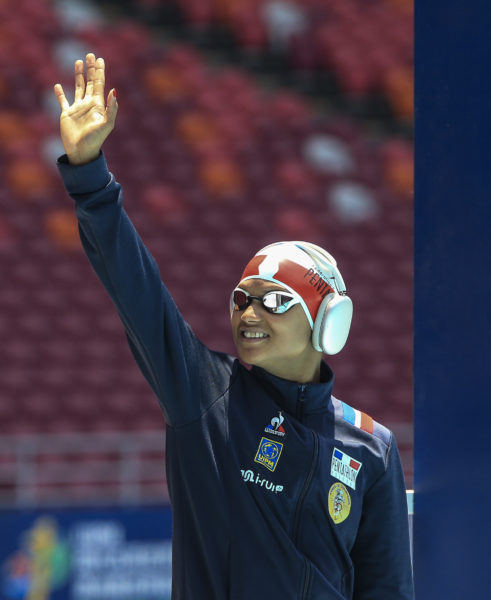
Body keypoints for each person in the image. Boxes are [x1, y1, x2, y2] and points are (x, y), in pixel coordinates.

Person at [53, 53, 414, 600]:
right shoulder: (204, 395)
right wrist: (89, 177)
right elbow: (136, 291)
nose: (249, 314)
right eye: (241, 299)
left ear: (328, 321)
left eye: (273, 302)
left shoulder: (373, 448)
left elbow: (387, 590)